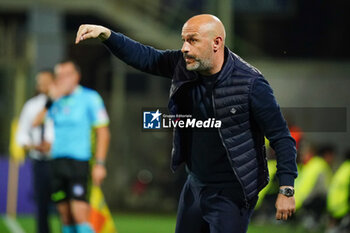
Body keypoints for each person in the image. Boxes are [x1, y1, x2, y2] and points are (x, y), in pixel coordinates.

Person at [75, 14, 298, 233]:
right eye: (183, 40)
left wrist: (286, 188)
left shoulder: (251, 84)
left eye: (192, 40)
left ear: (216, 43)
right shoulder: (183, 65)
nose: (184, 48)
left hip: (232, 191)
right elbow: (146, 57)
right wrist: (108, 35)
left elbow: (281, 137)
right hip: (195, 185)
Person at [44, 60, 110, 233]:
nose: (62, 79)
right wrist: (51, 99)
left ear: (76, 77)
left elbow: (103, 132)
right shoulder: (54, 100)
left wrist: (100, 164)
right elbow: (36, 122)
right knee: (65, 215)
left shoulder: (90, 97)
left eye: (66, 75)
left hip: (79, 163)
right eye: (59, 75)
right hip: (57, 162)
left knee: (79, 213)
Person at [16, 70, 55, 233]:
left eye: (47, 81)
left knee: (64, 205)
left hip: (59, 161)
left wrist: (53, 145)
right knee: (42, 205)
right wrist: (34, 146)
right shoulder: (31, 106)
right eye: (40, 82)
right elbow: (22, 134)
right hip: (39, 161)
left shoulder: (63, 102)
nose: (43, 85)